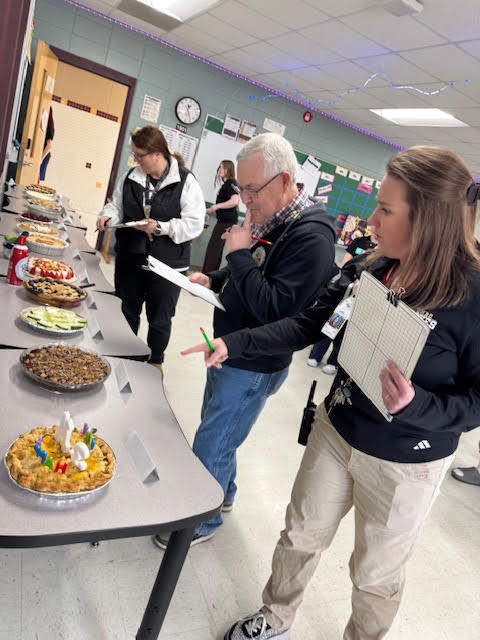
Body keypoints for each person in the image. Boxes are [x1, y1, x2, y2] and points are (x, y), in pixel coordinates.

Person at [182, 146, 480, 639]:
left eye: (385, 209)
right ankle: (275, 616)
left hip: (406, 461)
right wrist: (233, 344)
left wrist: (418, 405)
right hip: (337, 430)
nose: (371, 219)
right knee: (300, 535)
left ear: (428, 219)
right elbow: (306, 324)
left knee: (374, 577)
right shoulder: (371, 267)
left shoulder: (471, 296)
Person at [153, 132, 337, 549]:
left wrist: (235, 254)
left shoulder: (312, 238)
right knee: (223, 430)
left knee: (214, 437)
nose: (246, 200)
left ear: (286, 180)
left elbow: (275, 309)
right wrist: (214, 276)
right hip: (232, 346)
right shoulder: (275, 217)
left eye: (252, 190)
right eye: (242, 189)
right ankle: (225, 494)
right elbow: (254, 272)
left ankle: (202, 519)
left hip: (254, 361)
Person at [97, 125, 205, 372]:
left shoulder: (186, 182)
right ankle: (124, 356)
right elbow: (117, 207)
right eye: (134, 154)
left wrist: (161, 228)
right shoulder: (130, 177)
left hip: (169, 264)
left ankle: (155, 361)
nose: (135, 160)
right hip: (131, 258)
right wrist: (107, 216)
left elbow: (194, 225)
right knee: (126, 309)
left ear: (157, 153)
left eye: (139, 155)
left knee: (160, 317)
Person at [307, 231, 377, 372]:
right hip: (347, 291)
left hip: (365, 296)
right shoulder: (359, 242)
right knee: (333, 321)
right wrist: (348, 280)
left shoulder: (384, 250)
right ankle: (316, 355)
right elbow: (347, 264)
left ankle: (333, 362)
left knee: (346, 331)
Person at [202, 160, 240, 272]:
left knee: (213, 249)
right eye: (219, 167)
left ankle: (206, 277)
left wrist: (217, 206)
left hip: (226, 223)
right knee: (216, 250)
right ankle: (212, 279)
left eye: (222, 167)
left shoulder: (231, 183)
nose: (220, 170)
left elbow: (235, 201)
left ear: (228, 169)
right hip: (224, 221)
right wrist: (207, 210)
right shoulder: (226, 185)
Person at [39, 107, 54, 183]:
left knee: (36, 178)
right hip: (44, 154)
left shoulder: (49, 127)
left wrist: (40, 159)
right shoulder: (44, 124)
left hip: (44, 155)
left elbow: (49, 146)